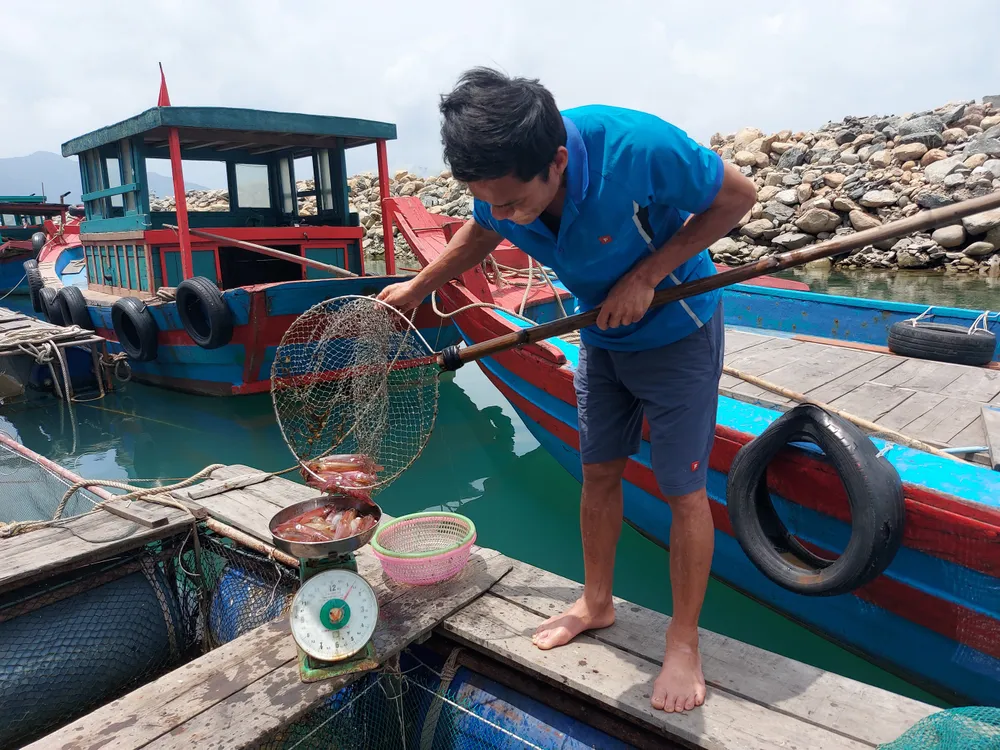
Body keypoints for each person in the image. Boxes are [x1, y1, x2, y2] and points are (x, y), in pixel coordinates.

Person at [377, 67, 756, 713]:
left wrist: (647, 276)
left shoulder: (636, 147)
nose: (503, 214)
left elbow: (738, 196)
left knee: (683, 489)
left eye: (514, 202)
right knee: (598, 471)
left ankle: (683, 640)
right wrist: (418, 288)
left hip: (678, 331)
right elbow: (483, 229)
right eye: (489, 200)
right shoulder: (499, 180)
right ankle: (596, 602)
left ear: (557, 161)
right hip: (601, 335)